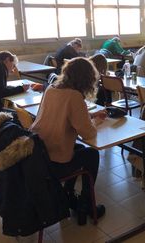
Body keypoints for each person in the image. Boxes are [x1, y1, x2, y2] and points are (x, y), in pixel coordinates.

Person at [30, 57, 107, 220]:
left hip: (39, 154)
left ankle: (69, 194)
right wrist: (96, 120)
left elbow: (63, 115)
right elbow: (88, 133)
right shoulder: (74, 96)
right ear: (87, 79)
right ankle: (86, 204)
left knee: (79, 149)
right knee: (92, 154)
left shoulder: (51, 89)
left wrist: (89, 115)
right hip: (54, 162)